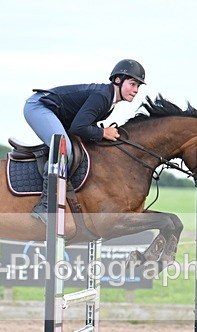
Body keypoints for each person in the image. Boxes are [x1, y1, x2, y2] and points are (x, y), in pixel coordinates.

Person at [24, 59, 146, 223]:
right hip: (39, 107)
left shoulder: (109, 101)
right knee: (64, 149)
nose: (135, 90)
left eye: (138, 86)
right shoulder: (102, 96)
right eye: (132, 84)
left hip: (56, 113)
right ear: (118, 80)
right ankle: (45, 207)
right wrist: (103, 132)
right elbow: (78, 128)